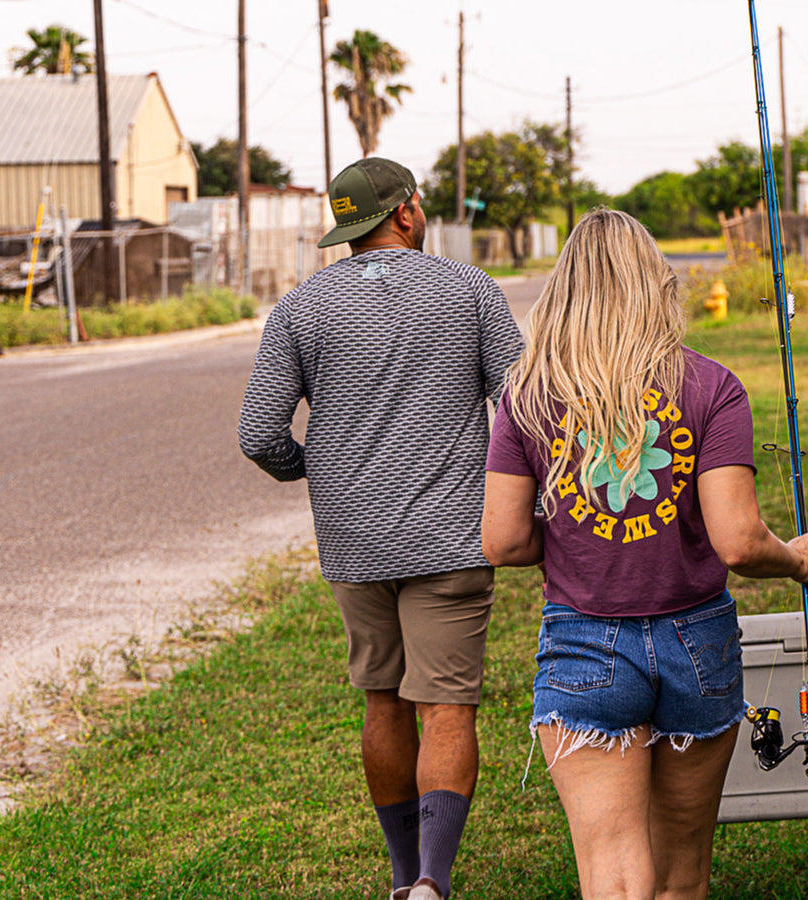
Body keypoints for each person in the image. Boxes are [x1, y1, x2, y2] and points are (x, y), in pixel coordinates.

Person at [481, 208, 808, 900]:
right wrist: (793, 558)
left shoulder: (529, 392)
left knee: (613, 874)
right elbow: (737, 540)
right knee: (680, 873)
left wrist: (579, 541)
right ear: (654, 283)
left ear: (567, 287)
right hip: (697, 643)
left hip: (583, 647)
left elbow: (503, 539)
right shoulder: (710, 386)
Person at [238, 157, 524, 900]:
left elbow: (259, 434)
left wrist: (316, 468)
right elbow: (524, 406)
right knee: (447, 704)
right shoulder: (469, 290)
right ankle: (433, 879)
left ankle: (401, 880)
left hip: (353, 538)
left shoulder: (299, 310)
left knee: (383, 700)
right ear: (405, 212)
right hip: (453, 532)